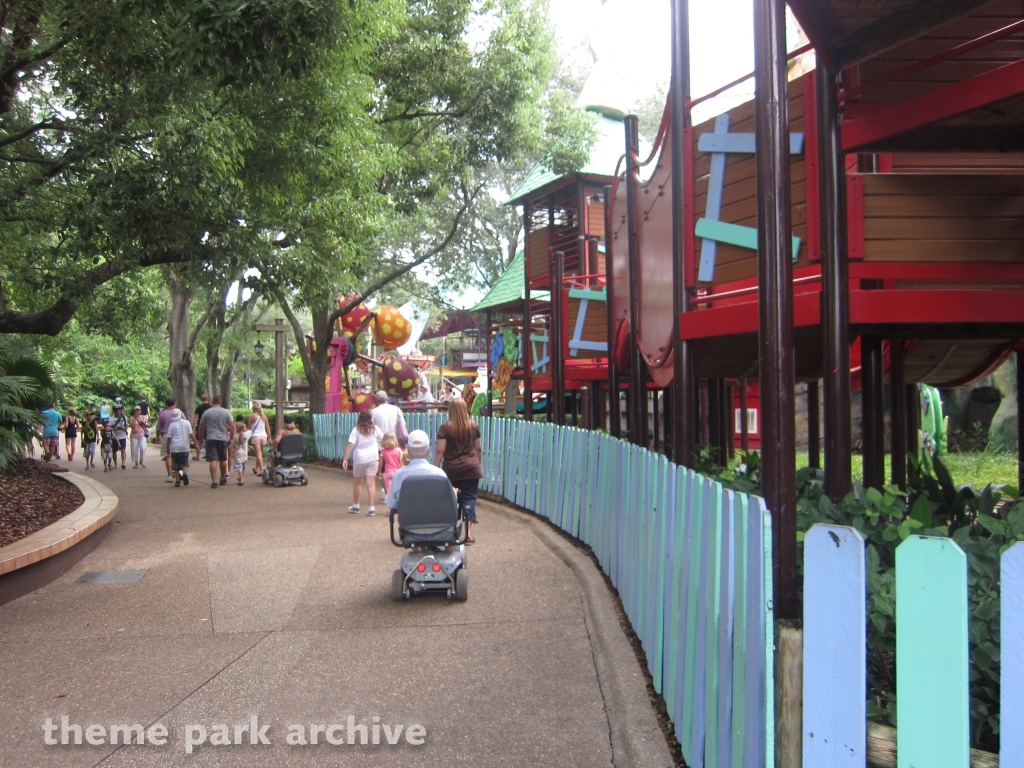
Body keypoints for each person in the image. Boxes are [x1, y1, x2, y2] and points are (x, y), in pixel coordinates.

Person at [434, 398, 483, 543]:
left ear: (451, 410)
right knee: (469, 499)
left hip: (451, 468)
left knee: (451, 499)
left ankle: (452, 532)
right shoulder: (473, 425)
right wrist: (476, 463)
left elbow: (440, 450)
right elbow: (478, 448)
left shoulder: (445, 427)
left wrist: (434, 468)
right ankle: (468, 535)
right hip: (471, 467)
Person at [384, 429, 449, 511]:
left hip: (408, 521)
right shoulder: (439, 474)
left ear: (408, 452)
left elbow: (392, 504)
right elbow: (447, 501)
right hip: (436, 521)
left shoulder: (399, 475)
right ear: (428, 451)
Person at [342, 410, 383, 515]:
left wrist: (345, 458)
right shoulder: (375, 429)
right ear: (370, 418)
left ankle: (356, 506)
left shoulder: (356, 430)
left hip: (359, 459)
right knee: (371, 484)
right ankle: (371, 508)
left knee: (357, 483)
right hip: (373, 459)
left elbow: (350, 445)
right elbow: (382, 439)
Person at [197, 395, 234, 489]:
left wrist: (200, 438)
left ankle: (214, 481)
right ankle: (222, 478)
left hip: (210, 438)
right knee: (223, 459)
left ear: (212, 401)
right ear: (220, 402)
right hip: (222, 438)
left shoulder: (206, 412)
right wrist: (231, 438)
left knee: (213, 459)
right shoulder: (226, 412)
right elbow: (232, 426)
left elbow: (201, 427)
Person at [164, 408, 195, 486]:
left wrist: (168, 447)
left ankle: (178, 481)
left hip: (175, 447)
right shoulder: (187, 423)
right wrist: (196, 443)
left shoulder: (172, 425)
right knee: (185, 462)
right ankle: (184, 473)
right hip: (185, 446)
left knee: (176, 464)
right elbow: (191, 434)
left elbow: (169, 437)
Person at [156, 398, 177, 483]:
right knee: (177, 455)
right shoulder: (179, 413)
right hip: (177, 436)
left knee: (168, 455)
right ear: (175, 403)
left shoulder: (162, 414)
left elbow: (158, 427)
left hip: (166, 435)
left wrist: (157, 437)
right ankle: (178, 472)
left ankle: (169, 475)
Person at [247, 402, 271, 476]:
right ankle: (256, 468)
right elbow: (268, 428)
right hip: (264, 436)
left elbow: (249, 429)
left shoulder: (252, 417)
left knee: (258, 453)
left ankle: (261, 470)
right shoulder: (264, 417)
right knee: (260, 453)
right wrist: (269, 437)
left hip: (256, 436)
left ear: (253, 408)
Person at [378, 432, 403, 497]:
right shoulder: (399, 450)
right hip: (397, 472)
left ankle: (390, 502)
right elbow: (401, 462)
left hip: (388, 472)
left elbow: (380, 464)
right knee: (398, 488)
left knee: (389, 490)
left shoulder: (383, 451)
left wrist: (379, 472)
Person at [107, 403, 130, 469]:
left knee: (123, 450)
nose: (118, 411)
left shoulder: (124, 418)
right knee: (114, 451)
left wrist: (126, 427)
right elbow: (109, 428)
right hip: (114, 437)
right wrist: (116, 429)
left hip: (122, 436)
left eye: (119, 410)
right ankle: (115, 463)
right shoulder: (111, 419)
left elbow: (127, 425)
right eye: (116, 410)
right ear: (114, 411)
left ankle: (123, 463)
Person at [232, 414, 252, 486]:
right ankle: (242, 477)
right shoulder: (246, 435)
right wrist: (244, 429)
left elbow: (232, 445)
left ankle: (241, 479)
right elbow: (250, 431)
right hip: (244, 451)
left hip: (238, 452)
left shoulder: (235, 436)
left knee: (239, 466)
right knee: (243, 465)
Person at [193, 394, 212, 459]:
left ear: (201, 399)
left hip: (200, 425)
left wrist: (194, 426)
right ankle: (208, 455)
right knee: (208, 441)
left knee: (198, 441)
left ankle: (197, 456)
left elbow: (196, 417)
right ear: (208, 399)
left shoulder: (199, 407)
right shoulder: (211, 407)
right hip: (209, 425)